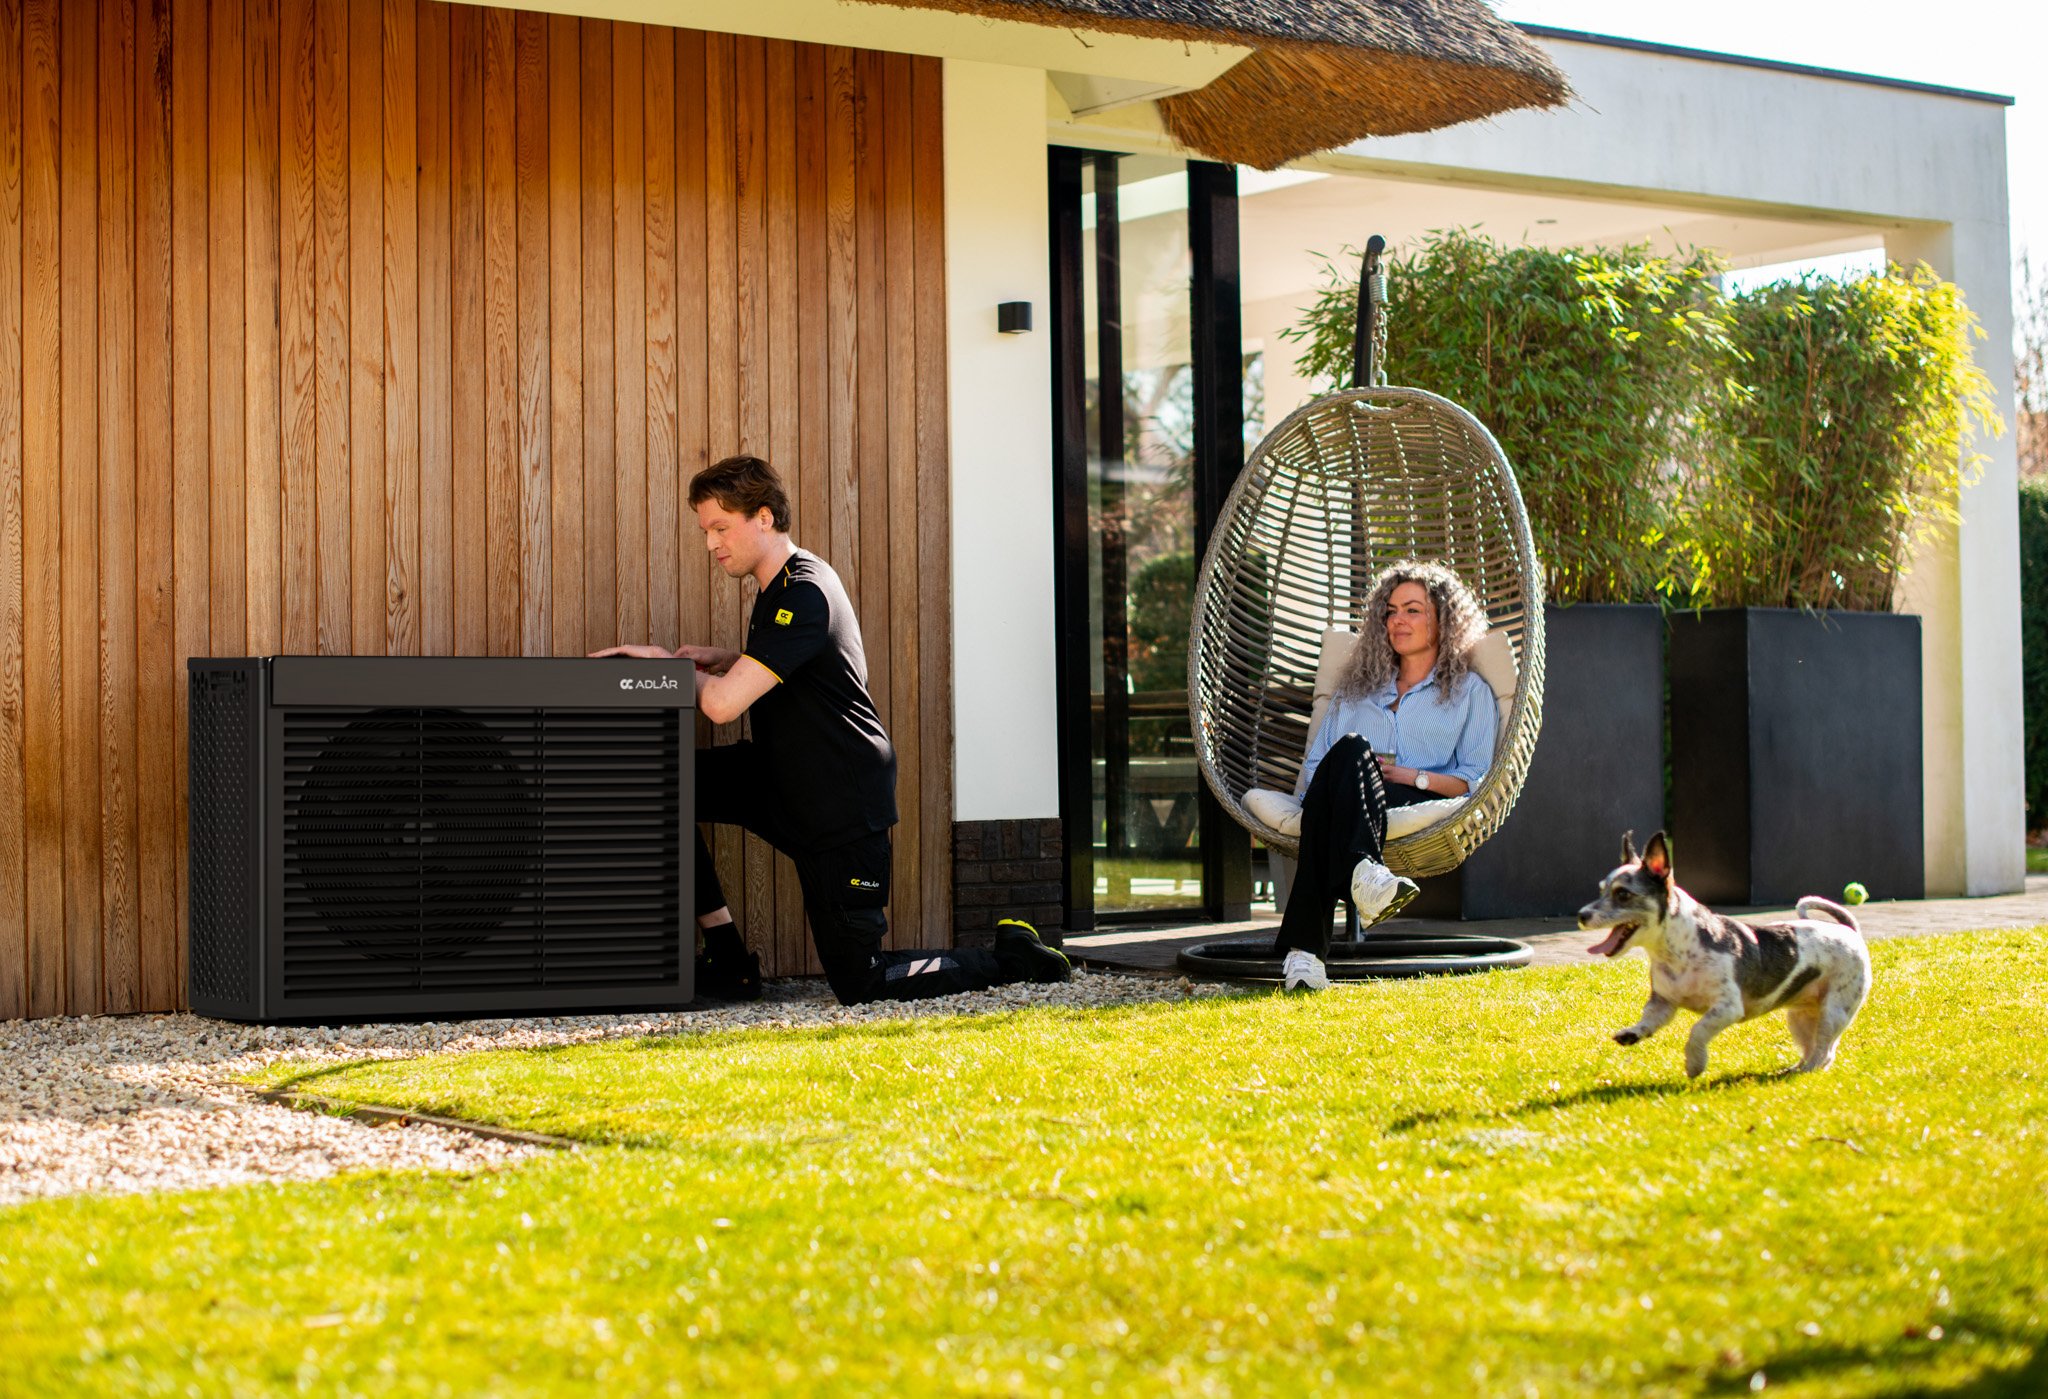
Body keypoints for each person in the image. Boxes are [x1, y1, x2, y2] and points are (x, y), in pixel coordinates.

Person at [593, 454, 1070, 1005]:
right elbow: (800, 671)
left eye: (721, 527)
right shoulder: (783, 587)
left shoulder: (802, 592)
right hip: (779, 779)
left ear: (764, 517)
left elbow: (722, 707)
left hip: (839, 802)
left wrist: (670, 666)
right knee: (662, 782)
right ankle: (725, 958)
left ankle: (1008, 957)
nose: (711, 544)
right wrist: (728, 658)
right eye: (706, 531)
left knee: (860, 981)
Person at [1276, 560, 1497, 992]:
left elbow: (1475, 779)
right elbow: (1319, 762)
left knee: (1345, 774)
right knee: (1351, 751)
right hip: (1335, 793)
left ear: (1444, 619)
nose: (1398, 619)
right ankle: (1366, 874)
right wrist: (1355, 765)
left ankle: (1304, 955)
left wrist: (1413, 776)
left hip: (1410, 796)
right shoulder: (1357, 687)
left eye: (1412, 610)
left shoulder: (1470, 693)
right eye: (1391, 610)